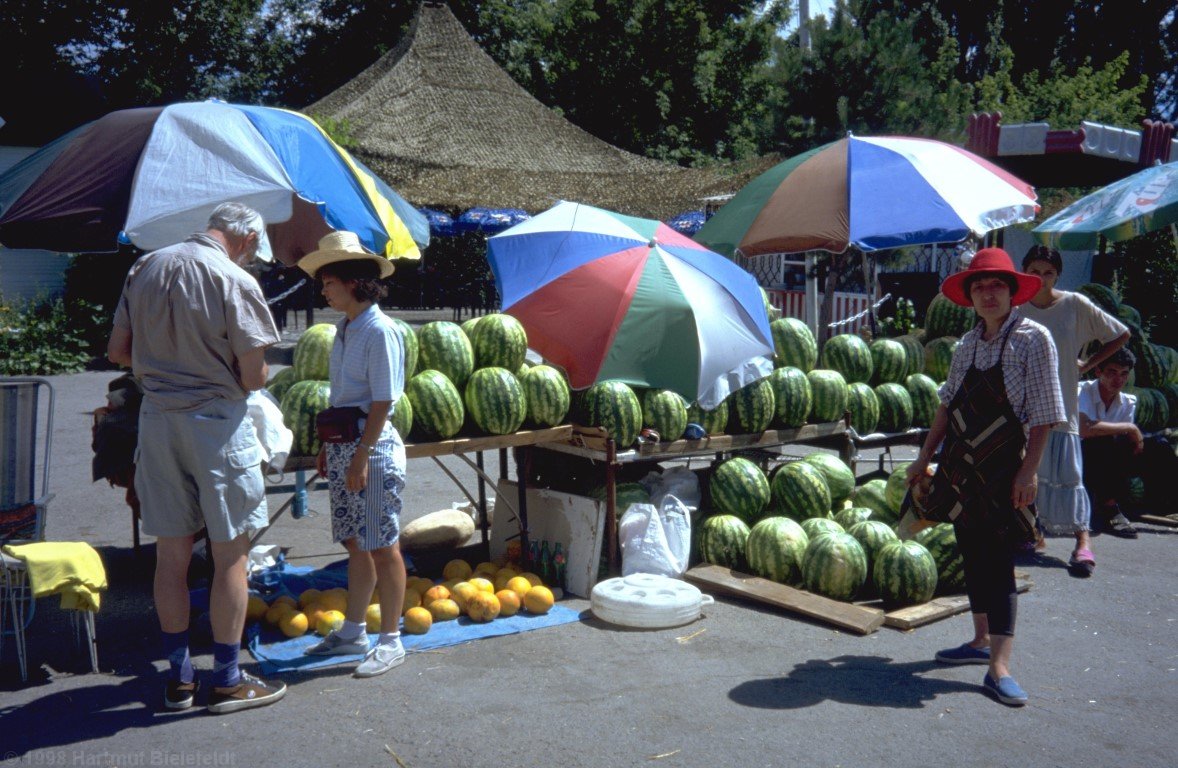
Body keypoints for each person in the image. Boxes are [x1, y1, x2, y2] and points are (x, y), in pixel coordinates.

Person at [107, 202, 287, 714]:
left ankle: (180, 680)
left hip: (158, 422)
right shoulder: (234, 279)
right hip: (215, 427)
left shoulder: (145, 266)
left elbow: (118, 350)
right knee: (231, 555)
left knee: (172, 555)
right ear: (247, 239)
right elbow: (254, 378)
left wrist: (165, 357)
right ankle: (228, 679)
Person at [906, 247, 1065, 707]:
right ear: (970, 296)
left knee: (998, 562)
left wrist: (1028, 471)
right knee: (971, 552)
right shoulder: (968, 344)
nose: (988, 293)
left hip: (1004, 468)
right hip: (960, 466)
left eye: (996, 284)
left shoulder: (1034, 339)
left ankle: (1000, 666)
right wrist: (923, 458)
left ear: (1013, 291)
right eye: (979, 286)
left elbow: (1045, 414)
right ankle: (978, 643)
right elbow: (947, 404)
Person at [298, 230, 410, 678]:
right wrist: (332, 449)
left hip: (373, 450)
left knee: (383, 544)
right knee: (356, 542)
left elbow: (383, 400)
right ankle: (355, 629)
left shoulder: (380, 331)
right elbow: (342, 397)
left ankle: (392, 640)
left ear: (353, 282)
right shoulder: (345, 329)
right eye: (323, 281)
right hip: (347, 447)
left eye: (329, 281)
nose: (323, 289)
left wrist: (361, 456)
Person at [1019, 245, 1130, 575]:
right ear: (1024, 271)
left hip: (1062, 403)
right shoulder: (1016, 306)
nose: (1041, 278)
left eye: (1048, 272)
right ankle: (1033, 533)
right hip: (1025, 406)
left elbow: (1120, 334)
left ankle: (1083, 543)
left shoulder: (1074, 305)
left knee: (1069, 475)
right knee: (1028, 474)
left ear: (1057, 275)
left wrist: (1087, 364)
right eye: (1034, 271)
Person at [1079, 348, 1178, 526]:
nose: (1119, 380)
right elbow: (1084, 429)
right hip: (1078, 461)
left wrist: (1135, 439)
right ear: (1098, 371)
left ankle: (1168, 505)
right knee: (1102, 441)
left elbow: (1126, 443)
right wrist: (1130, 427)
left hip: (1107, 464)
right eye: (1112, 372)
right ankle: (1109, 508)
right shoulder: (1082, 392)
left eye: (1124, 374)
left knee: (1158, 445)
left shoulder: (1127, 402)